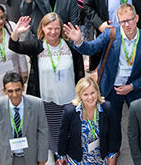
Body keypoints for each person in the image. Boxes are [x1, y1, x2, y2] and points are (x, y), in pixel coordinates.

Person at [65, 4, 141, 122]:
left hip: (135, 89)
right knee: (111, 127)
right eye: (122, 22)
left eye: (129, 20)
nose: (127, 25)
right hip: (111, 88)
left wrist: (132, 86)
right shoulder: (111, 34)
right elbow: (91, 48)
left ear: (136, 18)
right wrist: (79, 41)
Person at [9, 14, 85, 158]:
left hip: (70, 101)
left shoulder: (70, 46)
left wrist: (80, 41)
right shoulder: (37, 46)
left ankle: (68, 156)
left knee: (71, 132)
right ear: (42, 28)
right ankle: (58, 157)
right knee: (54, 134)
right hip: (48, 102)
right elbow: (13, 46)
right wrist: (16, 32)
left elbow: (80, 72)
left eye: (56, 28)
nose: (53, 32)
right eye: (49, 28)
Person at [0, 71, 49, 165]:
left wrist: (42, 156)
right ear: (4, 91)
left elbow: (43, 130)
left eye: (17, 90)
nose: (14, 95)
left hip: (30, 156)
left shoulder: (37, 104)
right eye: (10, 91)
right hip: (8, 156)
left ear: (23, 88)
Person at [57, 77, 121, 165]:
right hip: (77, 160)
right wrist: (61, 156)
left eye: (92, 93)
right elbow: (63, 136)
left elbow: (114, 134)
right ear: (80, 95)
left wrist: (112, 155)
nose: (90, 97)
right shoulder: (70, 111)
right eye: (85, 94)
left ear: (97, 92)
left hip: (101, 159)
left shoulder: (107, 108)